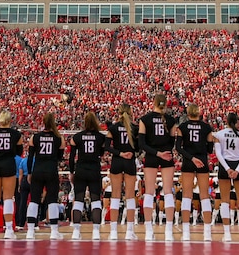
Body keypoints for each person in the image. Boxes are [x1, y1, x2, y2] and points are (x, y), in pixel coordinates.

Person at [138, 92, 178, 241]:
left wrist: (156, 153)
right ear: (166, 104)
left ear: (153, 103)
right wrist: (163, 153)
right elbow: (173, 142)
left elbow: (142, 144)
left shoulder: (145, 119)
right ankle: (168, 230)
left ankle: (149, 230)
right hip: (167, 155)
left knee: (149, 192)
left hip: (151, 155)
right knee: (168, 192)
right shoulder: (171, 120)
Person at [177, 103, 216, 242]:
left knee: (187, 196)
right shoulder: (206, 127)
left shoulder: (182, 127)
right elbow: (210, 149)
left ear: (188, 113)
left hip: (188, 160)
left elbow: (178, 148)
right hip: (202, 161)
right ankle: (207, 233)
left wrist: (191, 157)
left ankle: (186, 232)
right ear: (199, 113)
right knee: (204, 196)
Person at [69, 110, 109, 241]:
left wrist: (71, 171)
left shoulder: (77, 137)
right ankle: (96, 231)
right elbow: (102, 153)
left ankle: (76, 230)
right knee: (96, 200)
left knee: (79, 200)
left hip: (80, 169)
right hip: (94, 170)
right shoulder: (100, 137)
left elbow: (71, 157)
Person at [26, 112, 66, 240]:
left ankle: (30, 231)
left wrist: (30, 172)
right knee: (52, 200)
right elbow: (60, 157)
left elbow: (30, 157)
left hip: (37, 170)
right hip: (51, 170)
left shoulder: (35, 137)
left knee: (34, 200)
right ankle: (54, 231)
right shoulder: (59, 138)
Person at [215, 111, 239, 243]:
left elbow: (218, 154)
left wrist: (227, 169)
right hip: (238, 166)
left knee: (224, 201)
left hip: (225, 165)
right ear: (236, 122)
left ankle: (227, 234)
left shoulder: (219, 135)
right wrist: (237, 170)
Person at [0, 109, 24, 239]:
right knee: (8, 198)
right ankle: (8, 230)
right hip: (8, 164)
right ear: (10, 120)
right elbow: (19, 152)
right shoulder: (16, 134)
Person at [106, 103, 140, 241]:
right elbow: (138, 148)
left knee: (115, 195)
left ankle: (113, 231)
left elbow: (107, 147)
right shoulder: (134, 128)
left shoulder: (113, 128)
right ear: (130, 112)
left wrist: (120, 153)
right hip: (130, 161)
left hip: (117, 160)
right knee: (130, 196)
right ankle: (129, 231)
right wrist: (129, 153)